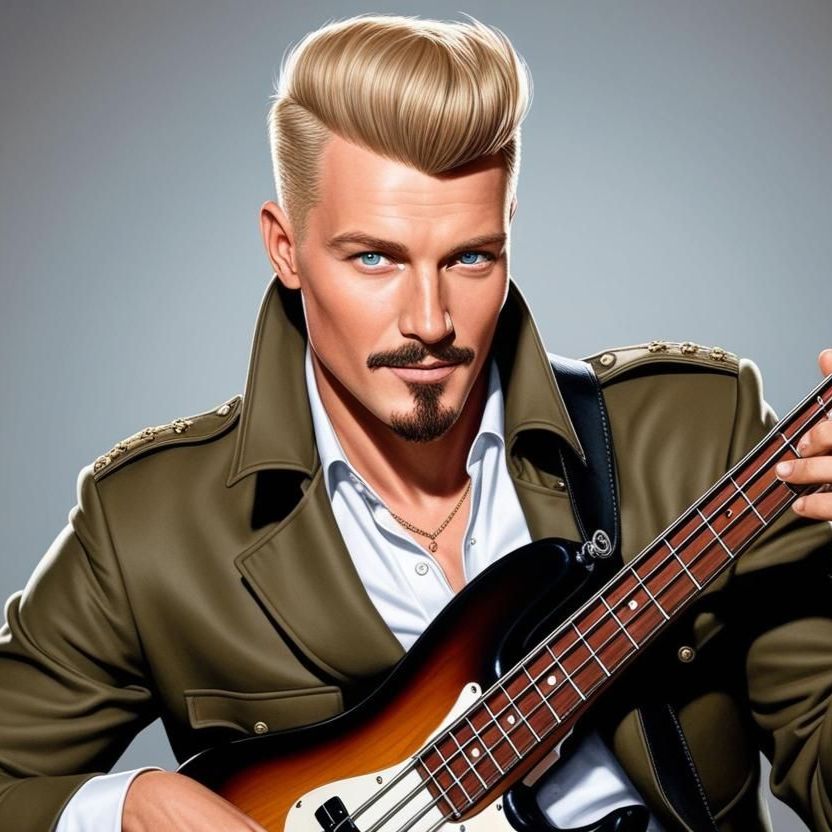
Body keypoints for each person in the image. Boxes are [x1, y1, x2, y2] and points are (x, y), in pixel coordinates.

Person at [1, 12, 831, 832]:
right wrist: (132, 805)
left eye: (471, 256)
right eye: (375, 258)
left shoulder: (697, 440)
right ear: (285, 248)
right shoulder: (149, 526)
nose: (430, 321)